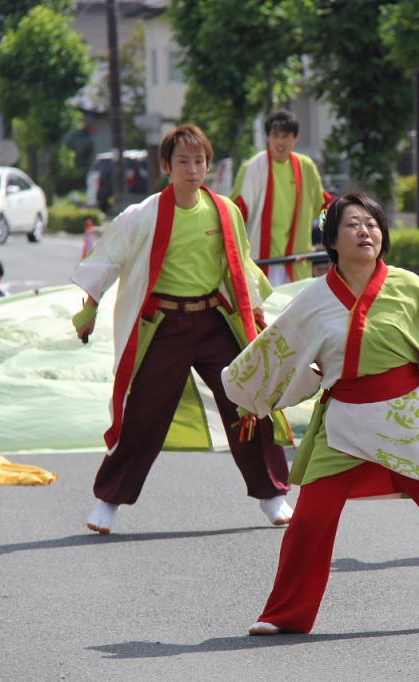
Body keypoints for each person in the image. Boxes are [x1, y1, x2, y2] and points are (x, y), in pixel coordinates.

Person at [222, 192, 419, 634]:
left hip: (408, 417)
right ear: (332, 240)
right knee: (310, 518)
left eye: (372, 223)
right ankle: (284, 614)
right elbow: (277, 348)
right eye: (352, 225)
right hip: (344, 420)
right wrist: (249, 395)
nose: (365, 231)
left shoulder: (407, 285)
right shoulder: (315, 298)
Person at [70, 124, 293, 534]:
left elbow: (241, 267)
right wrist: (89, 308)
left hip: (214, 321)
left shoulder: (225, 211)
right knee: (143, 413)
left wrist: (257, 316)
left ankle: (273, 494)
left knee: (247, 399)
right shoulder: (143, 214)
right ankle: (109, 502)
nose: (192, 169)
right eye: (183, 161)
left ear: (209, 165)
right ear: (166, 167)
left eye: (199, 161)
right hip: (165, 325)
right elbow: (108, 260)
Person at [231, 110, 330, 286]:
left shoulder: (306, 166)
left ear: (295, 137)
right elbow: (234, 215)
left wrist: (325, 236)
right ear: (268, 137)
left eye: (286, 136)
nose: (280, 142)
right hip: (260, 265)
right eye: (275, 135)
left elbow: (324, 207)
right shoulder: (252, 168)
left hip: (297, 265)